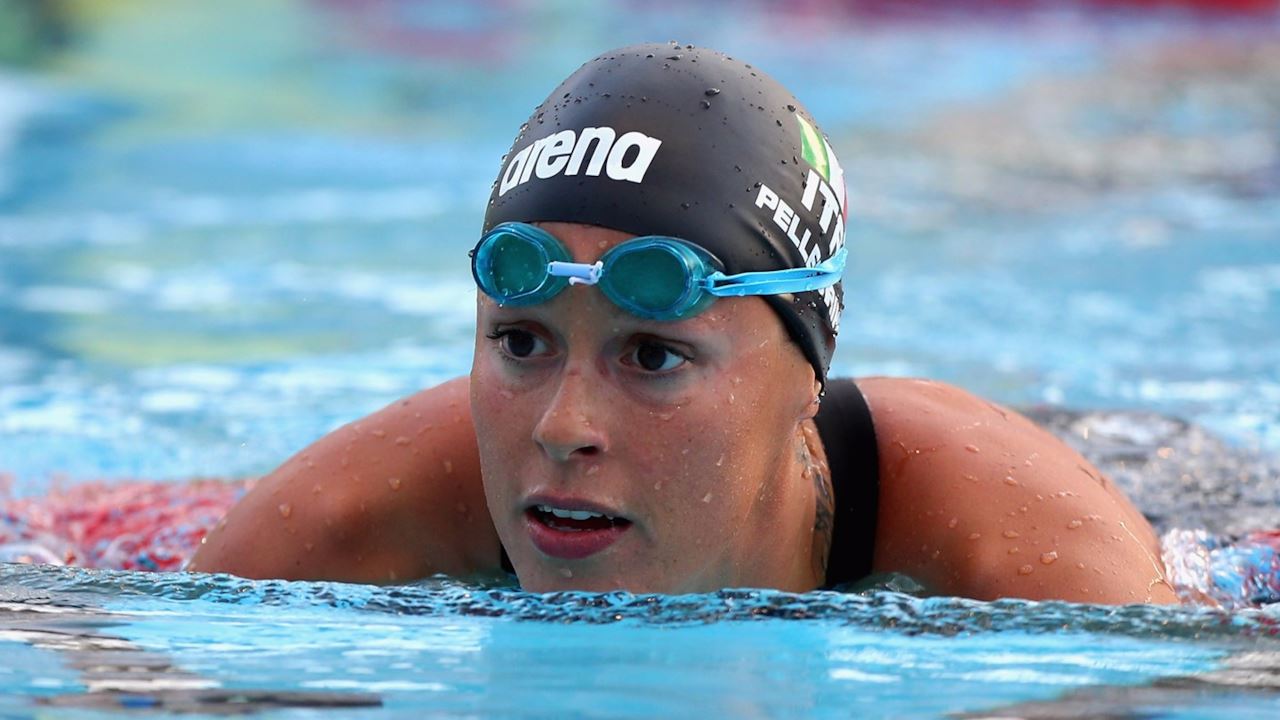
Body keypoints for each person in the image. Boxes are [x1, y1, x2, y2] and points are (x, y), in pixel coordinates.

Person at [189, 42, 1178, 604]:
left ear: (805, 380)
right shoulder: (348, 518)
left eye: (653, 355)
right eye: (521, 342)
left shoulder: (1031, 560)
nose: (561, 427)